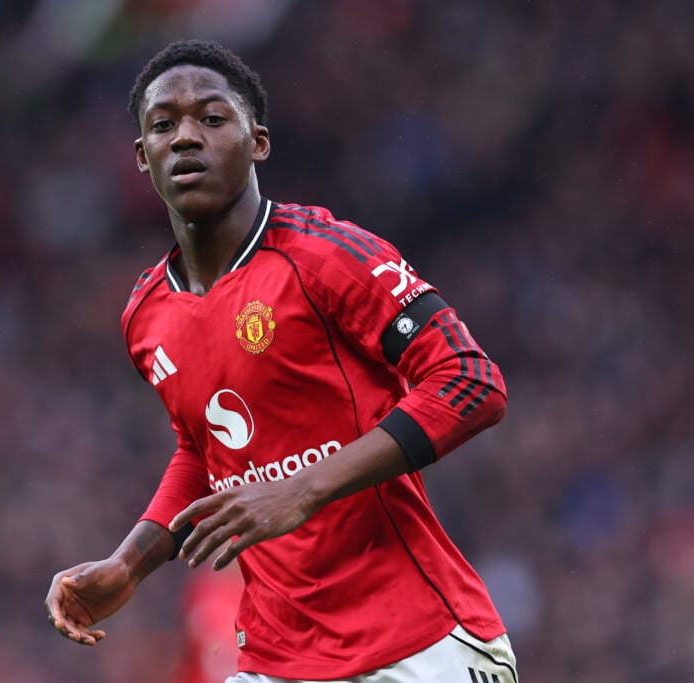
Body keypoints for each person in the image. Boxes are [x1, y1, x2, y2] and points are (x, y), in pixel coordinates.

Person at [45, 39, 518, 683]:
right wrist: (131, 562)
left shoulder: (327, 255)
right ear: (142, 157)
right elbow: (202, 448)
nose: (186, 137)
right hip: (278, 660)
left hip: (419, 643)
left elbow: (472, 383)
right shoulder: (146, 314)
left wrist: (300, 493)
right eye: (164, 125)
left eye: (212, 119)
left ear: (258, 142)